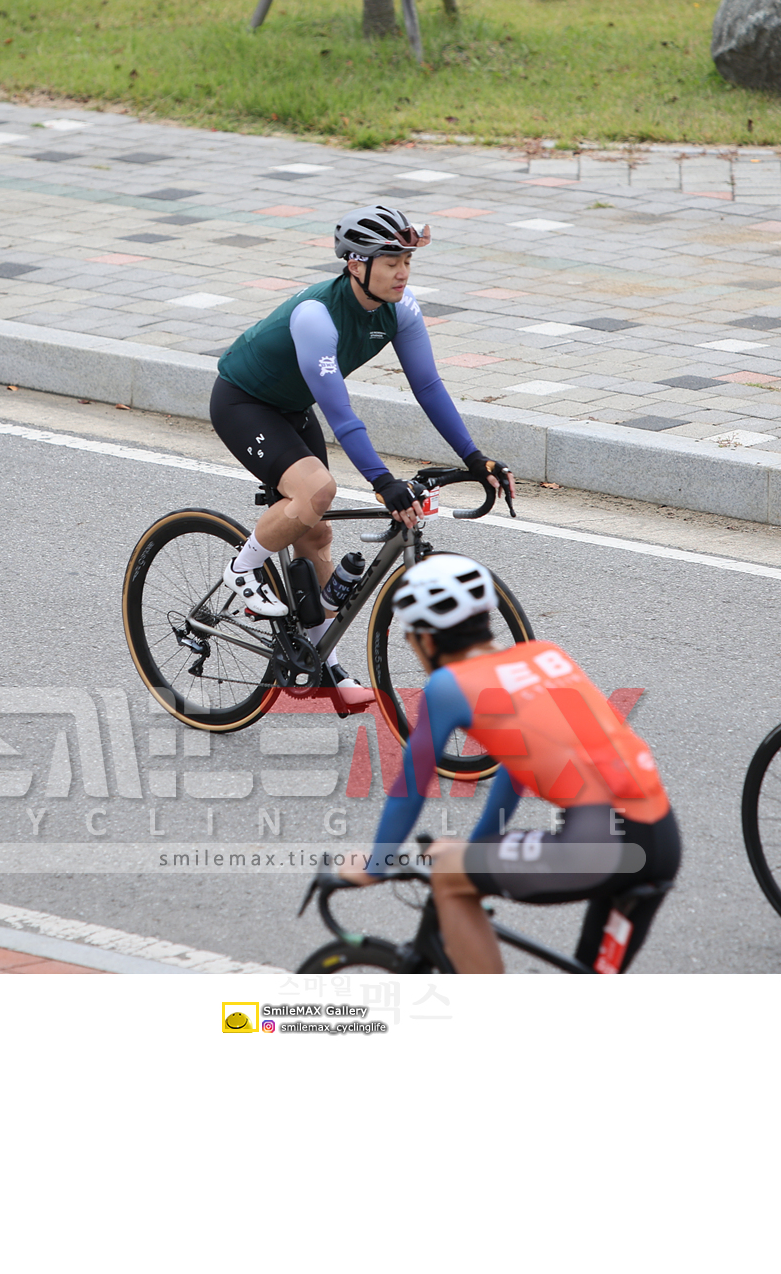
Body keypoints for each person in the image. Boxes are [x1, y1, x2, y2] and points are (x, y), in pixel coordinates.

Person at [209, 203, 514, 707]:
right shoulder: (316, 317)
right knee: (316, 491)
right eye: (390, 261)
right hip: (244, 403)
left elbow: (428, 387)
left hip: (291, 408)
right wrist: (382, 482)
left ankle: (319, 662)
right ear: (356, 265)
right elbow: (342, 415)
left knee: (316, 532)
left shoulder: (400, 308)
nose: (403, 272)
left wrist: (475, 457)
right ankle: (243, 568)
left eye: (407, 261)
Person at [336, 554, 680, 972]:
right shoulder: (544, 656)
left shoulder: (448, 685)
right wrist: (481, 846)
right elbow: (517, 766)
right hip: (661, 837)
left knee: (448, 877)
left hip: (599, 846)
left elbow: (410, 788)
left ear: (426, 640)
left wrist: (375, 866)